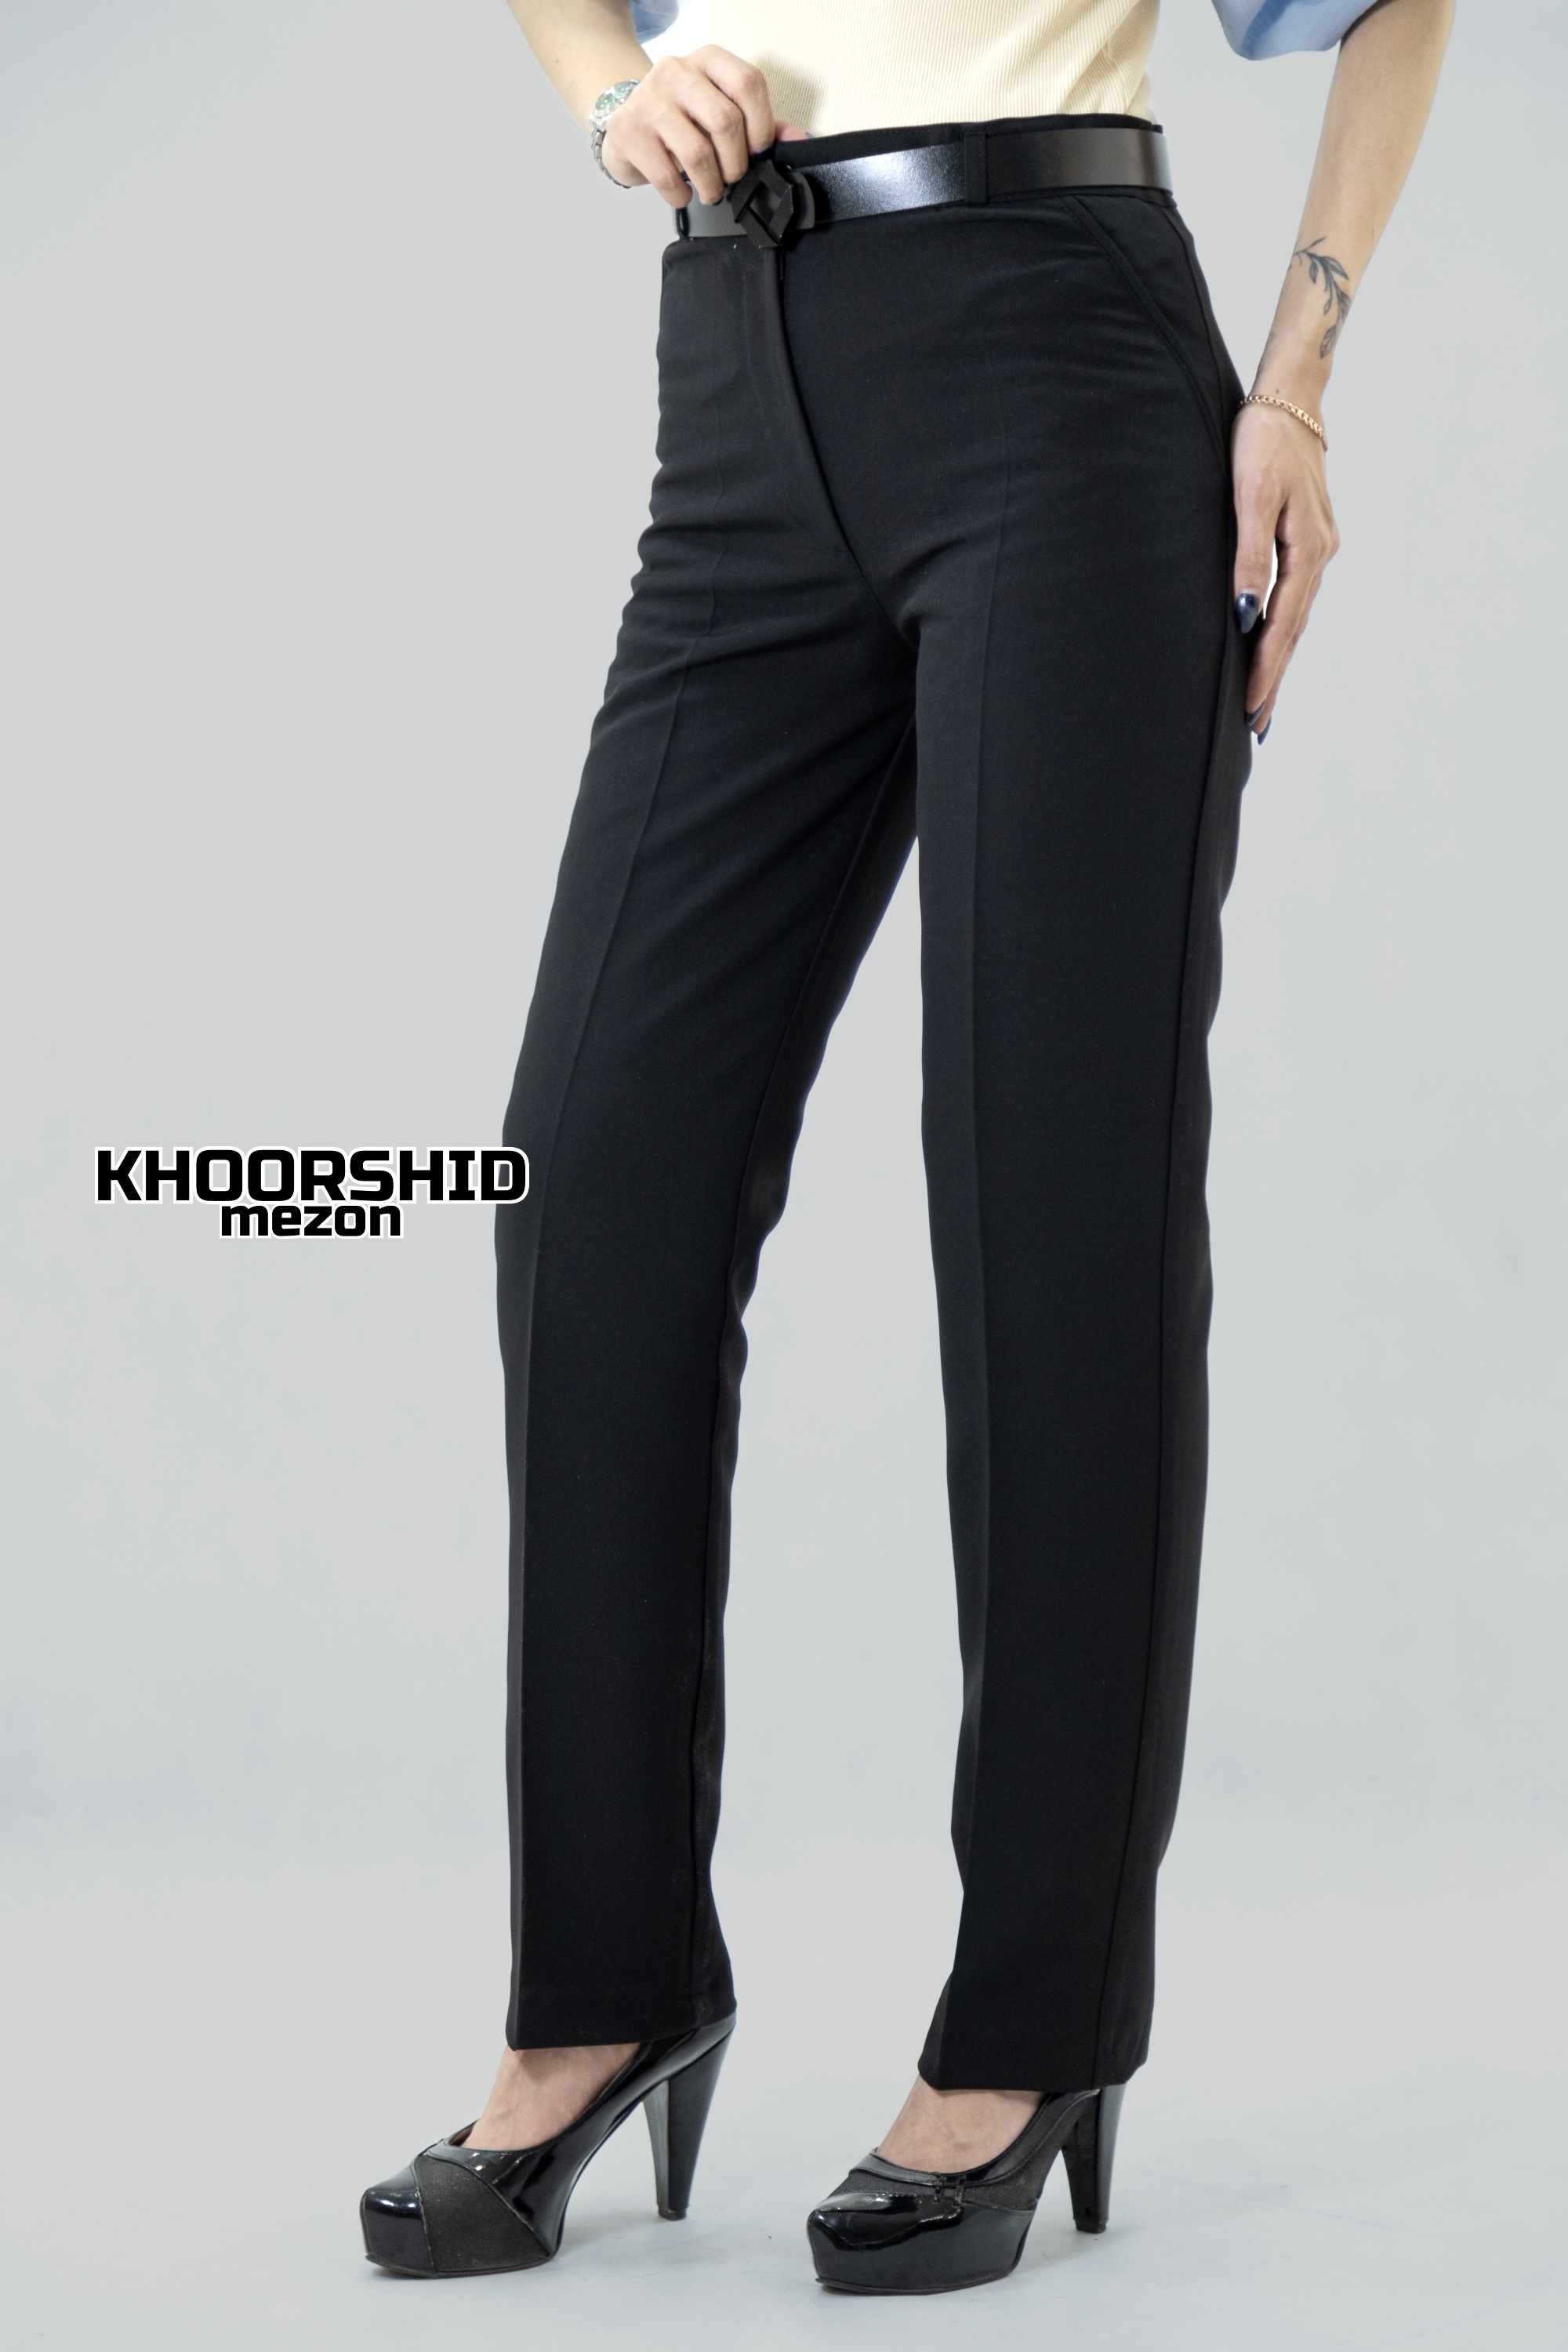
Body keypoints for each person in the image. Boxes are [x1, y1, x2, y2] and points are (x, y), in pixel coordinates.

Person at [361, 0, 1453, 2295]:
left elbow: (1396, 7)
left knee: (1054, 1203)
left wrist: (1295, 379)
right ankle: (605, 1990)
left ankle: (1034, 2024)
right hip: (736, 378)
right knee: (594, 1191)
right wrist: (606, 95)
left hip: (1059, 366)